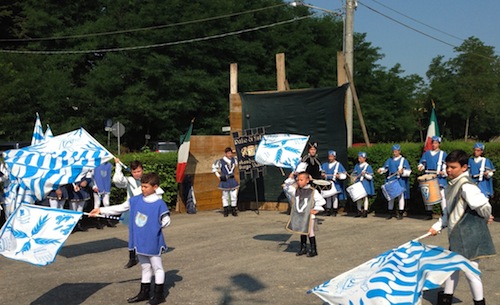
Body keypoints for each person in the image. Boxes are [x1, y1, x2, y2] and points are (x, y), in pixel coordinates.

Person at [91, 172, 171, 305]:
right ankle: (144, 293)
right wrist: (100, 210)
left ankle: (159, 295)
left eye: (146, 187)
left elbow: (166, 221)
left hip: (152, 241)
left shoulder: (159, 203)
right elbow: (120, 208)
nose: (143, 189)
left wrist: (154, 226)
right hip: (139, 239)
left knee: (157, 267)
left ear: (155, 187)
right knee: (145, 266)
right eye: (142, 186)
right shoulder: (135, 200)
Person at [428, 150, 495, 305]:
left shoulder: (466, 186)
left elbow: (484, 205)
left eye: (453, 167)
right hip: (458, 235)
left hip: (469, 236)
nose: (448, 170)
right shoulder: (452, 184)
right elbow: (448, 212)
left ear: (464, 167)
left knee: (471, 272)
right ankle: (447, 298)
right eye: (447, 166)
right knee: (452, 267)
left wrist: (486, 216)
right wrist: (437, 226)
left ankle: (479, 302)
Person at [111, 158, 164, 269]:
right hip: (133, 211)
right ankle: (132, 258)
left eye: (139, 171)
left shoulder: (147, 181)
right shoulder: (129, 180)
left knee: (148, 231)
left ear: (142, 170)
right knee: (133, 233)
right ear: (131, 172)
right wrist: (118, 166)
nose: (137, 174)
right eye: (134, 172)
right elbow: (117, 180)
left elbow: (158, 193)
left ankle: (151, 250)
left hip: (147, 210)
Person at [283, 171, 325, 257]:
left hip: (309, 216)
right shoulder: (296, 191)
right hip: (300, 215)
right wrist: (291, 178)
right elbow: (286, 187)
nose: (299, 181)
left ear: (307, 180)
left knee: (310, 232)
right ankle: (303, 248)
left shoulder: (312, 191)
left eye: (301, 180)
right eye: (298, 180)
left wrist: (316, 209)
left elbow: (321, 201)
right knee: (302, 231)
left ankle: (314, 249)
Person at [377, 144, 411, 220]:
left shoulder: (403, 160)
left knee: (400, 196)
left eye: (396, 151)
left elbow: (408, 171)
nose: (394, 153)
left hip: (400, 180)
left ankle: (401, 212)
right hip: (391, 179)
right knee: (391, 196)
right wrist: (381, 170)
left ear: (399, 151)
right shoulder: (389, 160)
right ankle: (390, 212)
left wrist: (403, 171)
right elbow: (385, 168)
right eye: (393, 151)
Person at [418, 136, 448, 220]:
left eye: (436, 143)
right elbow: (422, 163)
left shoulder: (443, 154)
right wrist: (421, 166)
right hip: (428, 175)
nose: (434, 145)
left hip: (439, 176)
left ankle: (444, 213)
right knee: (428, 195)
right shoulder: (427, 153)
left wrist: (443, 172)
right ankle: (429, 213)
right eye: (433, 143)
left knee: (442, 195)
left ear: (439, 144)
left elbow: (446, 165)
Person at [212, 147, 239, 217]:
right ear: (226, 153)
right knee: (225, 196)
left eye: (231, 153)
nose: (230, 154)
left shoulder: (234, 160)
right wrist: (218, 176)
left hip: (232, 180)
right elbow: (214, 168)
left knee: (234, 195)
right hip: (225, 180)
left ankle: (233, 210)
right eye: (229, 153)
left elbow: (241, 157)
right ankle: (226, 211)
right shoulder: (221, 161)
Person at [320, 150, 347, 216]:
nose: (330, 158)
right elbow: (321, 172)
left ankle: (335, 210)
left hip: (335, 183)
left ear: (334, 157)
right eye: (329, 156)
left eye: (332, 156)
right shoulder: (325, 165)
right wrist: (322, 174)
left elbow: (344, 175)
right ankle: (328, 209)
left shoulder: (338, 165)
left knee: (335, 197)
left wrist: (339, 176)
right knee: (328, 196)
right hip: (327, 182)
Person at [91, 161, 115, 229]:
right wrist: (94, 186)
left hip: (106, 186)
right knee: (97, 204)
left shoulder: (109, 165)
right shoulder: (95, 164)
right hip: (98, 187)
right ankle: (97, 220)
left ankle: (107, 219)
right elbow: (91, 177)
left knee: (106, 203)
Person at [351, 151, 375, 218]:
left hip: (365, 183)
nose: (359, 159)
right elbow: (354, 174)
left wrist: (365, 175)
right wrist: (353, 178)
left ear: (364, 158)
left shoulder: (368, 166)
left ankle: (365, 211)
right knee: (358, 197)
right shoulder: (357, 166)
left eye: (361, 157)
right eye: (359, 157)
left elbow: (370, 177)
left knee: (365, 197)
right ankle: (358, 211)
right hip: (358, 183)